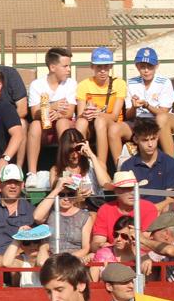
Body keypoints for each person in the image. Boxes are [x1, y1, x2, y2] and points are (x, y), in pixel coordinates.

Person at [24, 48, 79, 188]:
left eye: (69, 66)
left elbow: (69, 111)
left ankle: (66, 169)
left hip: (63, 124)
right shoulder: (37, 84)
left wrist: (58, 114)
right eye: (65, 66)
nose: (69, 69)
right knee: (35, 125)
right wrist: (52, 107)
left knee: (62, 123)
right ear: (52, 67)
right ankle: (31, 173)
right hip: (44, 127)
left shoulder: (71, 83)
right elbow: (34, 113)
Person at [113, 47, 174, 157]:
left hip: (161, 121)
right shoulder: (131, 82)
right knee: (114, 129)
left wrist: (147, 105)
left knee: (161, 119)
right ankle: (120, 170)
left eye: (150, 66)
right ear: (137, 66)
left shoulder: (164, 82)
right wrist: (134, 107)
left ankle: (171, 163)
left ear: (157, 65)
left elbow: (163, 112)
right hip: (139, 121)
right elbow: (128, 115)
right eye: (142, 67)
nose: (146, 70)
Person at [75, 47, 127, 169]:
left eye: (106, 66)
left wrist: (97, 113)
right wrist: (87, 113)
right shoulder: (84, 85)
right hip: (91, 125)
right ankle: (79, 166)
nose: (103, 71)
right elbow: (80, 114)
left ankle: (101, 165)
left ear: (110, 67)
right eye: (99, 67)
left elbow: (114, 116)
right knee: (81, 122)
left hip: (111, 123)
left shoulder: (119, 84)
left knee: (100, 121)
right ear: (92, 67)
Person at [89, 170, 158, 253]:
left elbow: (146, 244)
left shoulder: (149, 208)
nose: (132, 193)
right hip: (113, 256)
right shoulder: (105, 209)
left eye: (134, 188)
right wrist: (102, 246)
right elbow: (96, 243)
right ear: (116, 191)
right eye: (126, 189)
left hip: (141, 257)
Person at [118, 117, 174, 202]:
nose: (150, 144)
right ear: (136, 139)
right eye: (145, 140)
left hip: (164, 212)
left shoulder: (170, 163)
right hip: (137, 211)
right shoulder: (128, 166)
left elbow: (171, 198)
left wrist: (154, 210)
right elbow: (126, 198)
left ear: (157, 137)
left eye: (153, 139)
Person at [34, 177, 94, 261]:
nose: (66, 199)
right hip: (50, 260)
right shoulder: (49, 212)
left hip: (73, 261)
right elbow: (37, 217)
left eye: (70, 194)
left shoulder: (84, 216)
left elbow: (85, 248)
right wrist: (57, 189)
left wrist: (64, 260)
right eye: (61, 195)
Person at [48, 128, 110, 196]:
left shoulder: (94, 163)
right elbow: (55, 197)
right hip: (71, 205)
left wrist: (91, 155)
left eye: (78, 149)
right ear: (63, 151)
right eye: (70, 150)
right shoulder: (55, 170)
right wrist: (76, 194)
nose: (75, 155)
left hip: (94, 204)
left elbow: (106, 184)